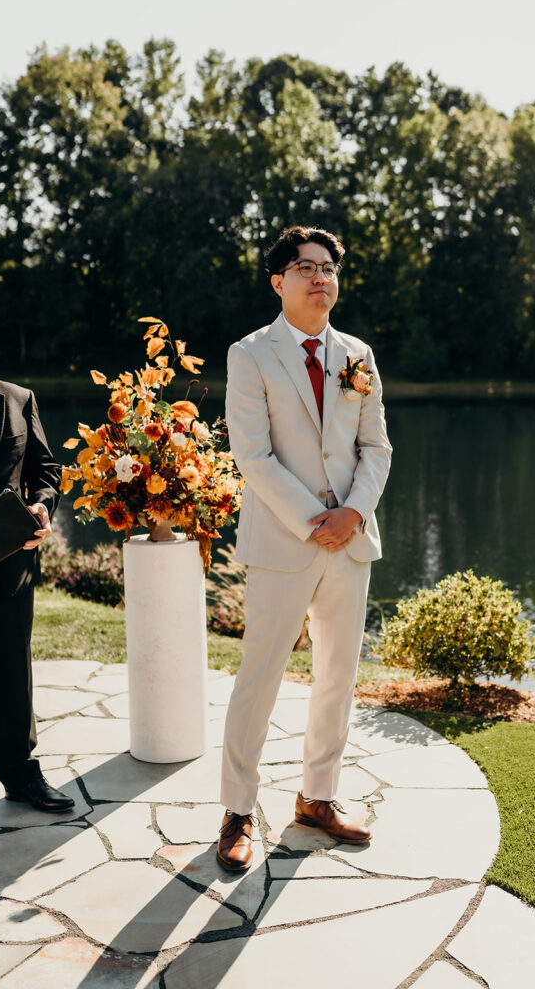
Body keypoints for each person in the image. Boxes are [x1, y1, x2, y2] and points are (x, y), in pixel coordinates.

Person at [217, 226, 392, 870]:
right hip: (283, 541)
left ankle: (317, 798)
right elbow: (253, 455)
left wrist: (352, 513)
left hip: (350, 542)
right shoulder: (250, 354)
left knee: (338, 677)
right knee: (259, 677)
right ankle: (237, 811)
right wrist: (316, 520)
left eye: (328, 268)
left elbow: (376, 447)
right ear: (278, 281)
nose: (321, 277)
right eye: (306, 267)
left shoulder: (357, 354)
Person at [0, 297, 73, 812]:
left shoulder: (18, 397)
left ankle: (21, 776)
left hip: (11, 569)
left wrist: (44, 506)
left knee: (12, 680)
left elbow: (46, 470)